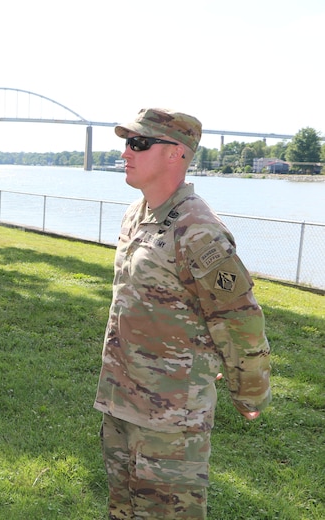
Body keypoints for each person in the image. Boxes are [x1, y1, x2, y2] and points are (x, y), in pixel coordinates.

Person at [93, 108, 272, 519]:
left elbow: (239, 319)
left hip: (172, 419)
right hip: (122, 402)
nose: (126, 152)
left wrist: (250, 392)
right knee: (122, 511)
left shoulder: (199, 231)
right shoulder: (136, 216)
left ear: (176, 154)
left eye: (139, 143)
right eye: (126, 142)